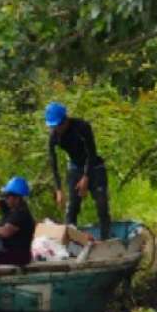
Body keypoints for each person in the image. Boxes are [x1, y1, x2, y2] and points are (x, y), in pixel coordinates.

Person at [46, 101, 112, 240]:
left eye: (59, 125)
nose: (57, 129)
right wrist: (58, 189)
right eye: (53, 126)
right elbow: (53, 162)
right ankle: (69, 240)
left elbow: (91, 153)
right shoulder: (54, 135)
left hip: (94, 166)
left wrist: (86, 177)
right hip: (75, 168)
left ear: (65, 120)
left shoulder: (82, 127)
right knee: (72, 208)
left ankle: (106, 238)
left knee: (102, 204)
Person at [0, 176, 36, 265]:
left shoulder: (21, 213)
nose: (5, 199)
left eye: (7, 196)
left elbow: (4, 232)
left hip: (17, 256)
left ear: (17, 198)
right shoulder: (10, 206)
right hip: (8, 251)